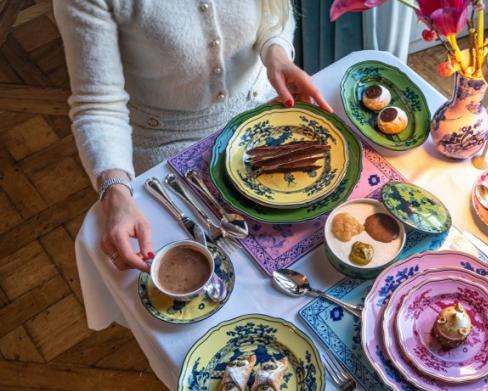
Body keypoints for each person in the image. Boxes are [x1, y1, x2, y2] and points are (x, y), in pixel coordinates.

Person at [54, 0, 330, 271]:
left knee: (320, 239)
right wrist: (115, 193)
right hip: (169, 145)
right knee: (219, 273)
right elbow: (98, 106)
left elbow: (273, 12)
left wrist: (276, 53)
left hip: (263, 108)